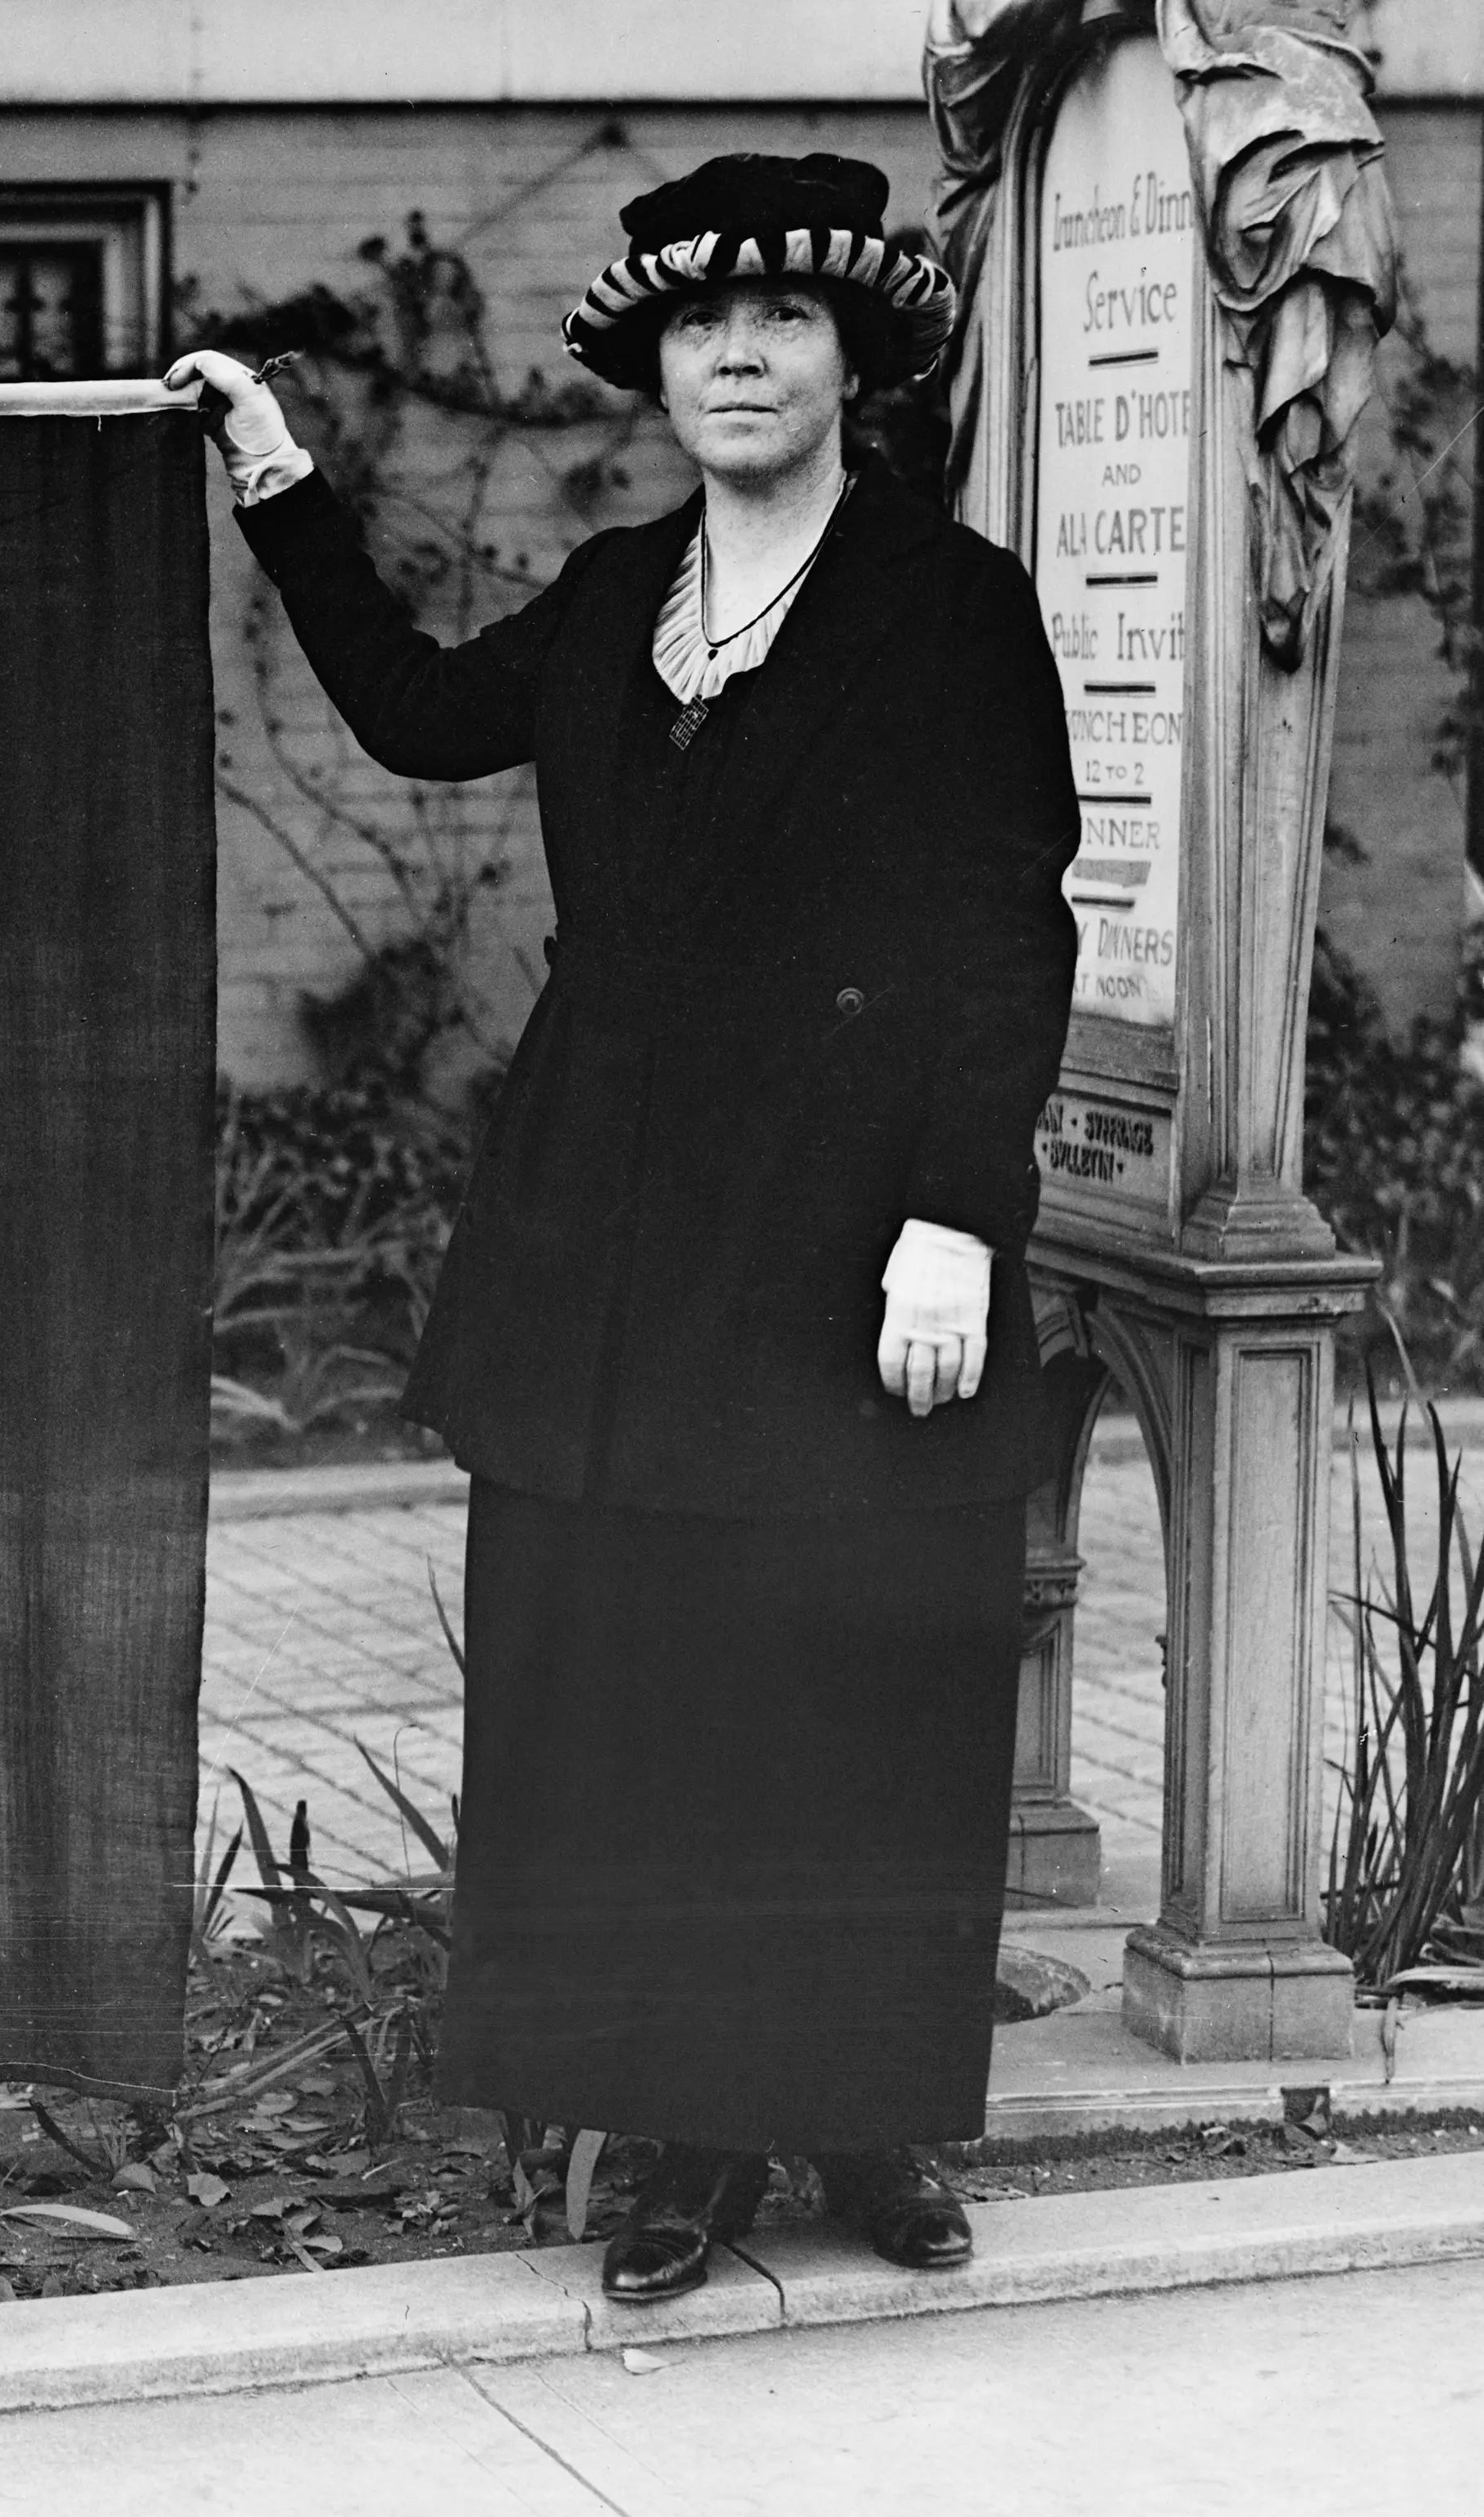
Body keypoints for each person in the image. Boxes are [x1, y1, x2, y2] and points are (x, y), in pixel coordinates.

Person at [165, 152, 1077, 2300]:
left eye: (775, 320)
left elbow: (999, 931)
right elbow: (403, 713)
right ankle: (673, 2137)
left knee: (844, 1682)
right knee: (638, 1692)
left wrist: (956, 1216)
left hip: (853, 1242)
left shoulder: (949, 612)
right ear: (651, 369)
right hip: (612, 1241)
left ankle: (859, 2121)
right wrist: (283, 483)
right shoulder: (603, 604)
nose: (732, 354)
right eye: (692, 325)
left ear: (858, 359)